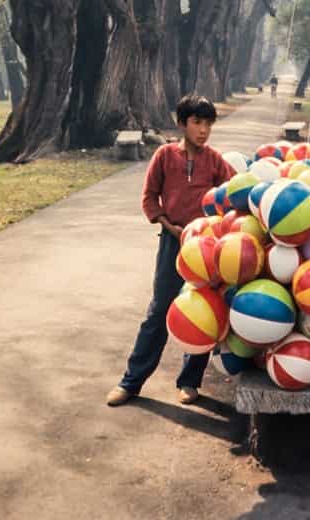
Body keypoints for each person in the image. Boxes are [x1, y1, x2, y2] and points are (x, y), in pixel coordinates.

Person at [106, 94, 232, 407]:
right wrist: (169, 224)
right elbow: (149, 197)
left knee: (205, 310)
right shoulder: (164, 155)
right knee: (159, 310)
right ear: (182, 124)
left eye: (208, 124)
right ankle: (131, 382)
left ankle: (190, 381)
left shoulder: (215, 160)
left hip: (206, 248)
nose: (203, 130)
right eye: (197, 122)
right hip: (172, 242)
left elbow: (233, 191)